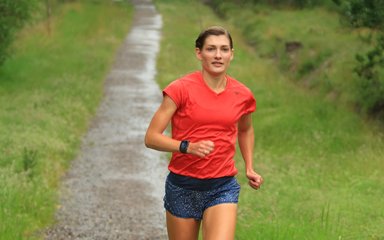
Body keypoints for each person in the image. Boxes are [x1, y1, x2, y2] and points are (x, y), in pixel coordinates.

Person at [144, 26, 263, 240]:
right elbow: (151, 137)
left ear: (231, 54)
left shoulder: (242, 94)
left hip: (222, 186)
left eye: (224, 49)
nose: (218, 55)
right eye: (211, 49)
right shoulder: (179, 89)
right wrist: (186, 146)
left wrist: (250, 166)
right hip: (182, 186)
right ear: (199, 53)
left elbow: (245, 129)